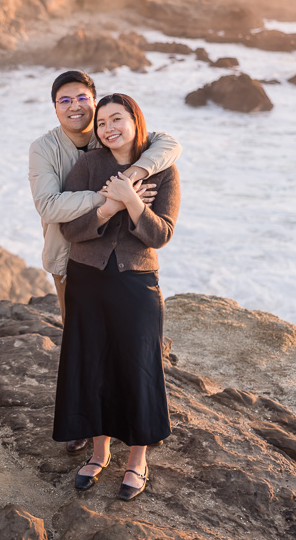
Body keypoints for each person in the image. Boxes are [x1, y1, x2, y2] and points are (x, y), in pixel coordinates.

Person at [28, 70, 181, 454]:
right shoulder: (57, 152)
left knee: (136, 359)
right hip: (75, 262)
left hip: (134, 274)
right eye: (64, 100)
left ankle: (137, 445)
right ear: (55, 108)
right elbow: (55, 213)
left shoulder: (148, 159)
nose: (74, 106)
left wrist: (132, 186)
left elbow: (161, 231)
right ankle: (90, 431)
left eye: (82, 99)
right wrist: (113, 201)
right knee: (87, 354)